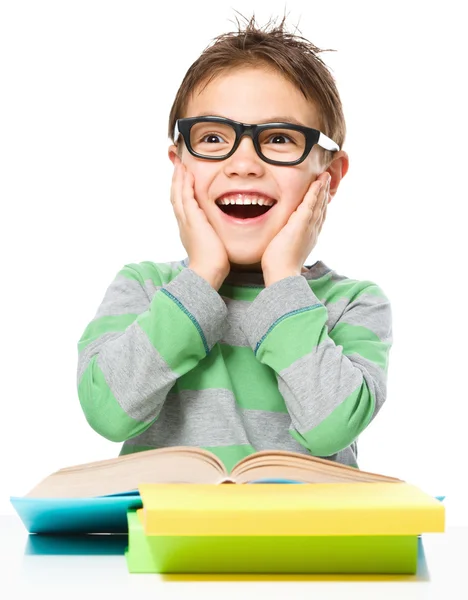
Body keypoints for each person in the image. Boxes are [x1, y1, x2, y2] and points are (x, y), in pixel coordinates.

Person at [77, 14, 392, 472]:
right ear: (180, 166)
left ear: (329, 176)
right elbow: (108, 413)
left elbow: (331, 425)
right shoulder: (144, 289)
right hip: (175, 542)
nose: (243, 164)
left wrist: (284, 278)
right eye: (212, 138)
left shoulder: (353, 305)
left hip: (303, 544)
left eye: (280, 138)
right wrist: (201, 275)